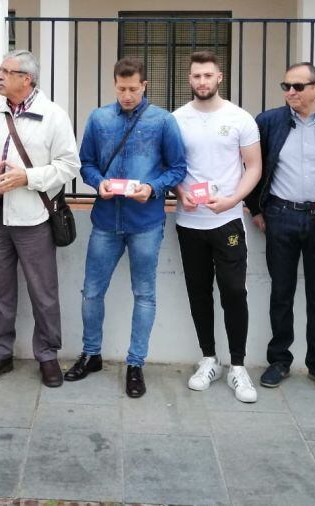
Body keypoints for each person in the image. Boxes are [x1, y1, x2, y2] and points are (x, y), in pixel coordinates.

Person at [64, 57, 187, 398]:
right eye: (121, 88)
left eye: (133, 89)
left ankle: (136, 364)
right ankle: (91, 355)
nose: (127, 95)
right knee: (91, 292)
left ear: (145, 85)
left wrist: (153, 188)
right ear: (114, 83)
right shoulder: (99, 118)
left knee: (144, 294)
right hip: (105, 219)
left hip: (145, 221)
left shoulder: (163, 121)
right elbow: (85, 163)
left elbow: (178, 168)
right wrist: (98, 182)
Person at [0, 49, 80, 388]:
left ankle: (47, 355)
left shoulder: (54, 116)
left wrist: (26, 178)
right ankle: (0, 354)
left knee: (43, 292)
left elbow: (69, 166)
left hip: (34, 220)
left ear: (26, 79)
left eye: (6, 71)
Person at [247, 63, 315, 395]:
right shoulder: (269, 122)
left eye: (298, 87)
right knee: (280, 292)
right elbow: (252, 165)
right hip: (280, 215)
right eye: (286, 86)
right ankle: (279, 360)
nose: (290, 93)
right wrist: (256, 207)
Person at [173, 51, 262, 403]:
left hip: (227, 220)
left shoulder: (240, 118)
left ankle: (238, 366)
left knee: (233, 291)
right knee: (198, 291)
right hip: (188, 222)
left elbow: (254, 166)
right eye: (196, 76)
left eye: (208, 75)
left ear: (219, 77)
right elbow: (172, 167)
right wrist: (180, 192)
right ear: (189, 79)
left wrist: (234, 200)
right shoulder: (177, 119)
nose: (202, 82)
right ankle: (208, 358)